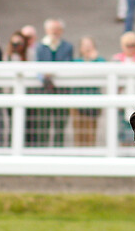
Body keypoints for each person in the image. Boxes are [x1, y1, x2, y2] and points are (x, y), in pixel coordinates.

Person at [33, 19, 74, 147]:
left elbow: (67, 64)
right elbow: (37, 66)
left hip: (61, 90)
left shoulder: (67, 46)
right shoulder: (39, 46)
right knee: (43, 123)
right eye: (52, 29)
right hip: (44, 89)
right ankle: (43, 149)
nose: (55, 32)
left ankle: (58, 149)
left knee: (60, 124)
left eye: (57, 29)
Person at [72, 36, 104, 146]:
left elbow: (105, 69)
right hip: (78, 102)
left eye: (90, 45)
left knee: (91, 133)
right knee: (78, 134)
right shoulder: (76, 61)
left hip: (93, 103)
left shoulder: (99, 61)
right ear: (80, 49)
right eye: (85, 46)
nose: (87, 48)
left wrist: (95, 59)